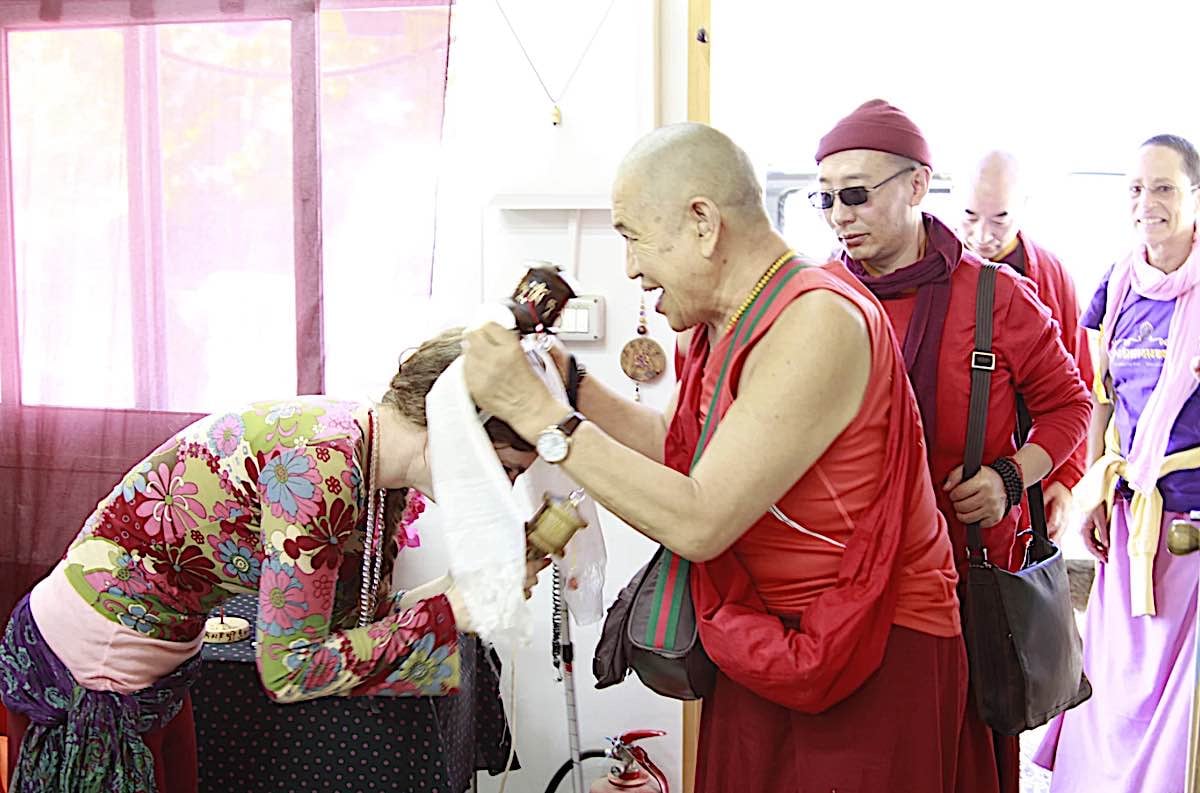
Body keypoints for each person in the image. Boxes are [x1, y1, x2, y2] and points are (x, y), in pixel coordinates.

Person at [463, 122, 967, 792]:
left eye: (633, 237)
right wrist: (569, 384)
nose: (633, 270)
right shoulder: (723, 323)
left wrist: (540, 416)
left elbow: (701, 520)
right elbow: (682, 454)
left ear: (702, 222)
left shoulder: (817, 320)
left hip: (868, 648)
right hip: (760, 637)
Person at [0, 328, 548, 792]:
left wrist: (459, 589)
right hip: (95, 668)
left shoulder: (369, 454)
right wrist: (451, 612)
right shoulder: (319, 470)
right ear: (456, 433)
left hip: (152, 661)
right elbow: (289, 670)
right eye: (506, 469)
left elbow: (350, 623)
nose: (505, 491)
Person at [813, 99, 1092, 793]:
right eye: (825, 199)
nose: (839, 214)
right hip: (846, 584)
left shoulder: (998, 295)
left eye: (855, 194)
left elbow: (1070, 405)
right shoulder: (820, 295)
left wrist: (1009, 475)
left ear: (914, 186)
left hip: (966, 580)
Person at [1033, 134, 1200, 792]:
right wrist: (1095, 489)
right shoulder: (1119, 283)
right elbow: (1099, 394)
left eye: (1163, 188)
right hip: (1130, 526)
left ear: (1194, 198)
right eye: (1136, 188)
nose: (1146, 202)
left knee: (1179, 714)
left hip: (1191, 530)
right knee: (1114, 697)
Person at [958, 149, 1095, 538]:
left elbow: (1077, 385)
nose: (982, 235)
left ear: (1023, 206)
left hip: (1030, 468)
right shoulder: (932, 269)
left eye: (999, 218)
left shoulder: (1052, 275)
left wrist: (1066, 480)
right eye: (969, 216)